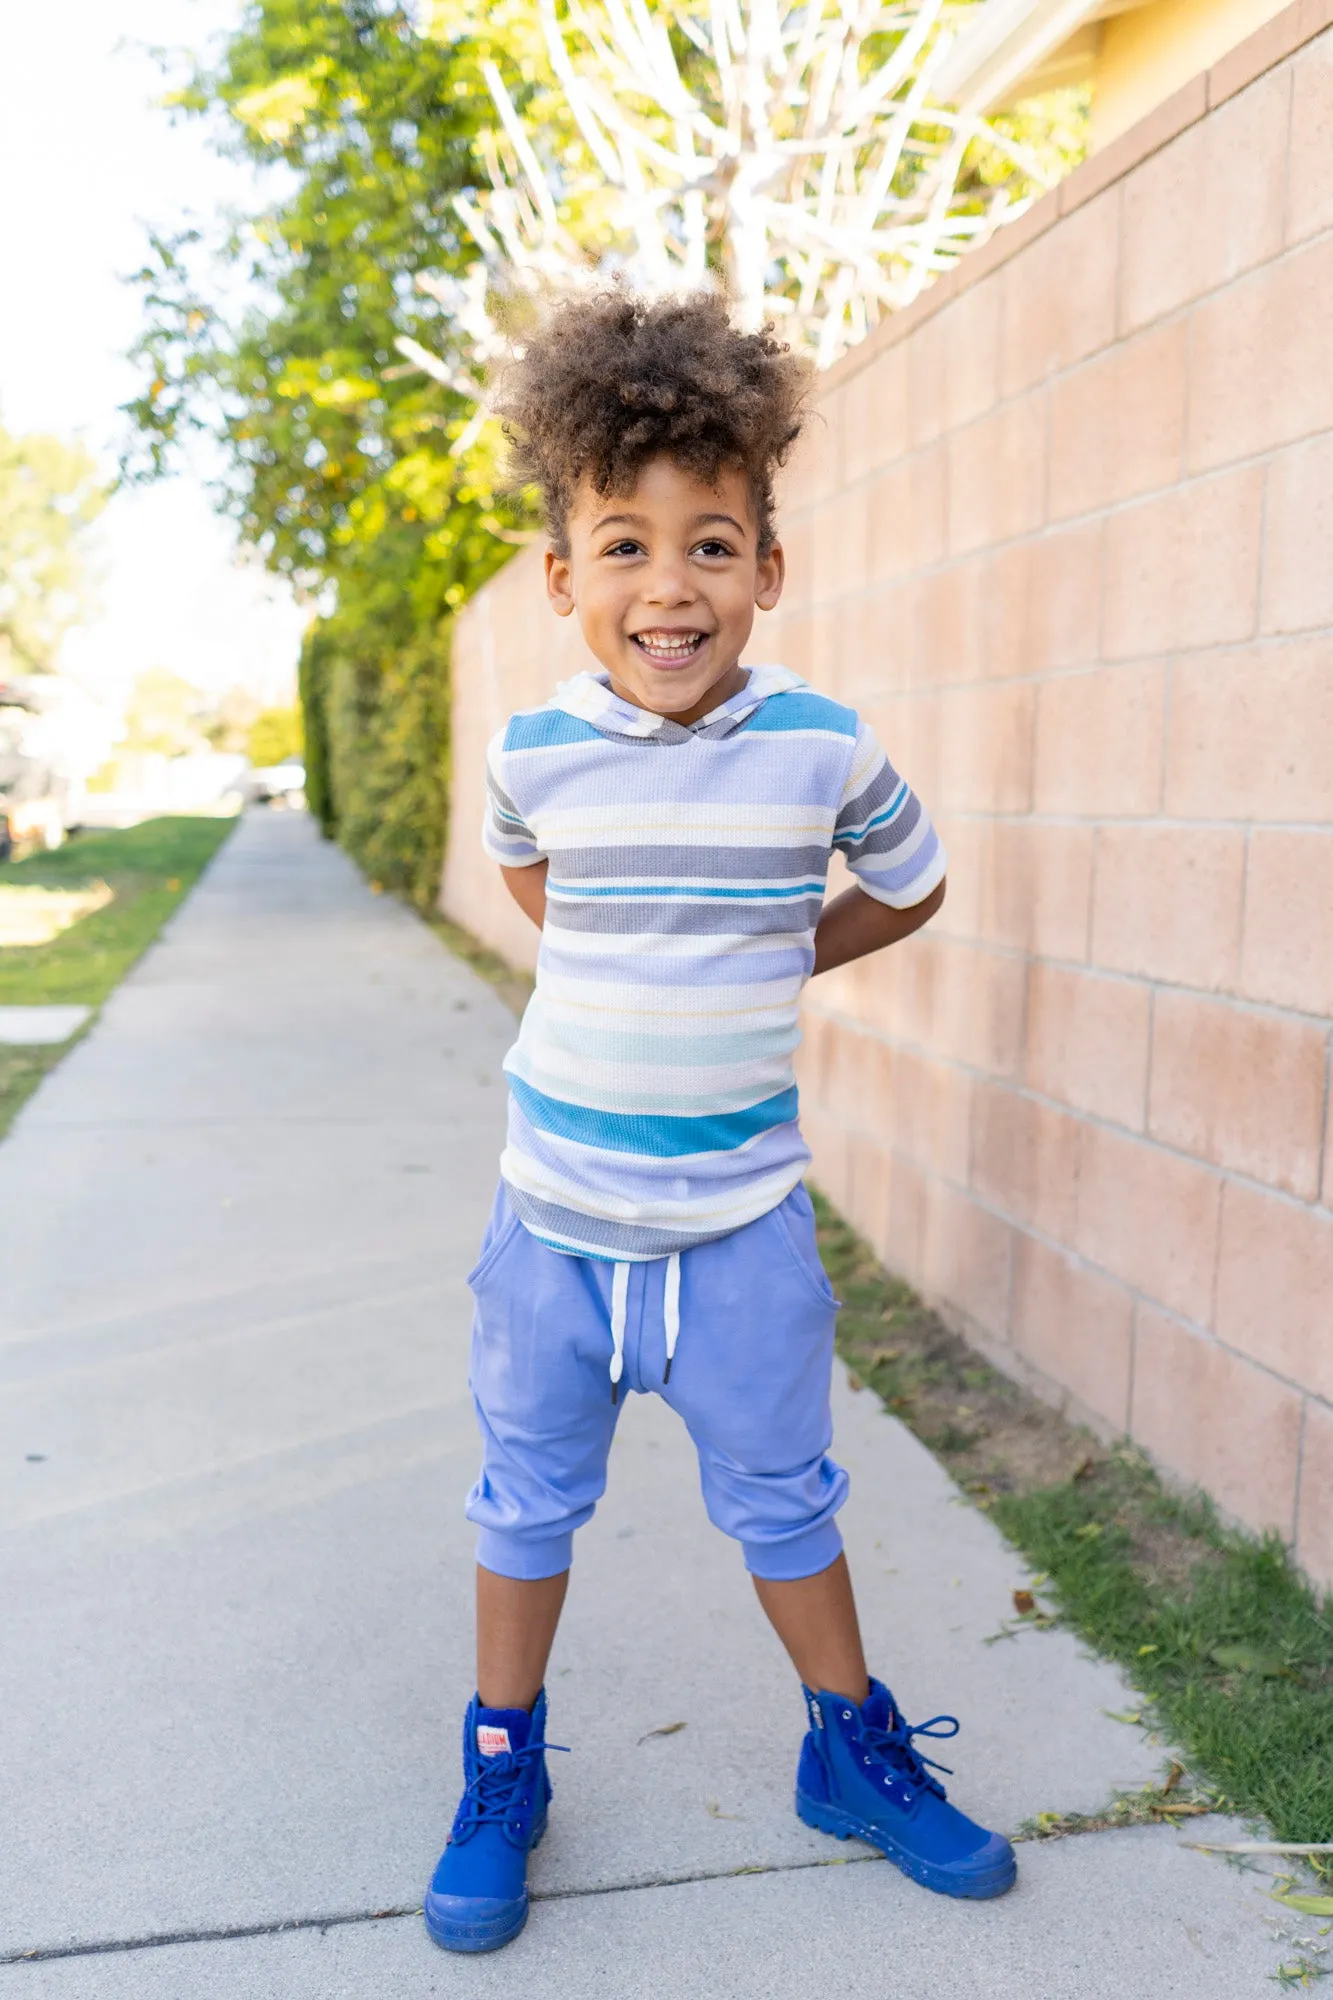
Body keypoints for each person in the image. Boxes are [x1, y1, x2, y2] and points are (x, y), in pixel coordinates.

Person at [425, 289, 1016, 1954]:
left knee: (789, 1506)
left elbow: (913, 882)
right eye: (623, 546)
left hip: (742, 1233)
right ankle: (500, 1764)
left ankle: (852, 1750)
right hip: (552, 1227)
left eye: (711, 543)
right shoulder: (537, 750)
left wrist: (781, 948)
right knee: (522, 1509)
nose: (667, 585)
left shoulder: (822, 747)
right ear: (565, 581)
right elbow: (536, 881)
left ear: (769, 566)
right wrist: (633, 952)